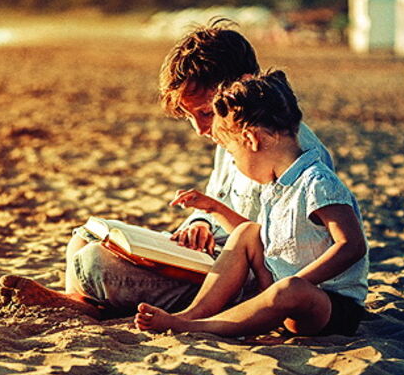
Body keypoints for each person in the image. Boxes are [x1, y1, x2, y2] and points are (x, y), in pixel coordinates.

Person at [0, 20, 333, 318]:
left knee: (92, 264)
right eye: (191, 118)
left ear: (243, 85)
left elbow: (278, 246)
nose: (201, 130)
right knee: (86, 235)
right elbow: (217, 200)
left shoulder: (291, 153)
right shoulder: (230, 138)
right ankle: (84, 300)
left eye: (205, 113)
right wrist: (201, 222)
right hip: (209, 255)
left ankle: (86, 303)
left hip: (236, 278)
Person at [134, 71, 368, 337]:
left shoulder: (317, 182)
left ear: (251, 140)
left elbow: (352, 245)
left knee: (290, 290)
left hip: (327, 305)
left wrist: (300, 281)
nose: (233, 162)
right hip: (278, 290)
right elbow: (262, 240)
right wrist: (213, 208)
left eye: (232, 153)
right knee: (248, 233)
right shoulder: (275, 186)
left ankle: (195, 327)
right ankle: (192, 313)